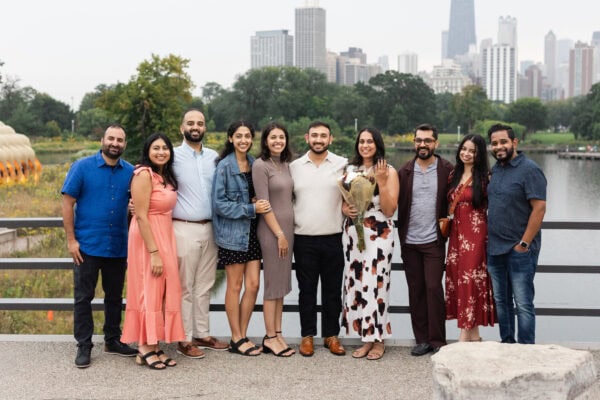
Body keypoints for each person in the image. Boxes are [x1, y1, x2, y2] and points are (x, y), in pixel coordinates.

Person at [61, 124, 137, 368]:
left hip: (117, 245)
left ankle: (113, 339)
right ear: (103, 140)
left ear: (125, 144)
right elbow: (67, 203)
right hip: (87, 246)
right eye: (111, 138)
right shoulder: (82, 167)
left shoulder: (131, 172)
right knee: (83, 297)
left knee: (115, 297)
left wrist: (132, 209)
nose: (115, 143)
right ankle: (84, 345)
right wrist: (71, 240)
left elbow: (136, 204)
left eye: (120, 140)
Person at [121, 133, 186, 369]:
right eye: (156, 148)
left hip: (164, 234)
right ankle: (144, 347)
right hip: (147, 238)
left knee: (162, 290)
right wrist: (154, 252)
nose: (161, 152)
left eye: (165, 148)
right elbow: (140, 214)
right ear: (147, 151)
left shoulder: (164, 176)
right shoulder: (143, 174)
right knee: (148, 288)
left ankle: (154, 344)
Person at [212, 121, 271, 356]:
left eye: (247, 136)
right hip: (232, 235)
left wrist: (256, 202)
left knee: (254, 285)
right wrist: (249, 208)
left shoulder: (255, 164)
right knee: (235, 286)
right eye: (239, 136)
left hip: (253, 234)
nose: (243, 140)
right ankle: (236, 337)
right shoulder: (224, 167)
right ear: (230, 139)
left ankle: (242, 335)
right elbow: (219, 205)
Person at [173, 109, 229, 358]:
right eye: (190, 123)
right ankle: (183, 338)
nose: (195, 126)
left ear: (205, 127)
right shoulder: (172, 156)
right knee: (185, 286)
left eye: (200, 123)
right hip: (183, 226)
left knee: (204, 285)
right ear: (181, 127)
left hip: (211, 228)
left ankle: (202, 333)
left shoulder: (214, 157)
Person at [290, 121, 348, 357]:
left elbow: (351, 194)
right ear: (307, 138)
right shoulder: (294, 166)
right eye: (314, 135)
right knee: (306, 291)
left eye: (323, 136)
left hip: (333, 236)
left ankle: (331, 336)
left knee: (333, 290)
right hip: (303, 237)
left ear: (330, 139)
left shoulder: (342, 164)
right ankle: (307, 336)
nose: (318, 139)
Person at [341, 127, 399, 361]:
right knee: (355, 282)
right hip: (353, 232)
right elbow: (342, 203)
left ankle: (378, 340)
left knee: (375, 282)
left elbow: (390, 209)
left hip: (379, 231)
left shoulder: (388, 170)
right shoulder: (349, 170)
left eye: (370, 141)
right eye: (362, 141)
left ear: (378, 144)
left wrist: (382, 183)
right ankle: (364, 337)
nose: (365, 145)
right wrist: (345, 209)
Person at [486, 123, 547, 344]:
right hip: (494, 249)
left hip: (520, 250)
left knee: (523, 304)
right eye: (494, 143)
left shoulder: (530, 169)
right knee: (501, 302)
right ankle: (507, 346)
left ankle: (526, 350)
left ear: (514, 142)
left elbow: (539, 208)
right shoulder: (496, 169)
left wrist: (524, 243)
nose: (499, 146)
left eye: (503, 141)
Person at [397, 123, 453, 356]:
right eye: (419, 140)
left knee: (433, 289)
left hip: (433, 241)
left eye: (427, 140)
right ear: (414, 143)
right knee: (416, 290)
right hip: (409, 241)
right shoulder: (405, 171)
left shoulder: (447, 169)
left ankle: (438, 340)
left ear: (435, 143)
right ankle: (421, 339)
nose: (423, 144)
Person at [444, 134, 496, 342]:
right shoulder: (453, 174)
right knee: (459, 279)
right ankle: (475, 336)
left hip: (476, 234)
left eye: (472, 151)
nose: (466, 153)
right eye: (463, 149)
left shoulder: (486, 178)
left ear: (479, 154)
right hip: (456, 236)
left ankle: (463, 336)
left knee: (471, 280)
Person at [252, 122, 295, 357]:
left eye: (281, 137)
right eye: (273, 138)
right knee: (272, 285)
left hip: (288, 233)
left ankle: (278, 332)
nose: (278, 141)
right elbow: (264, 204)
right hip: (272, 232)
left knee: (281, 286)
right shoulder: (260, 166)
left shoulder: (286, 165)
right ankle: (269, 337)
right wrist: (279, 234)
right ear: (266, 141)